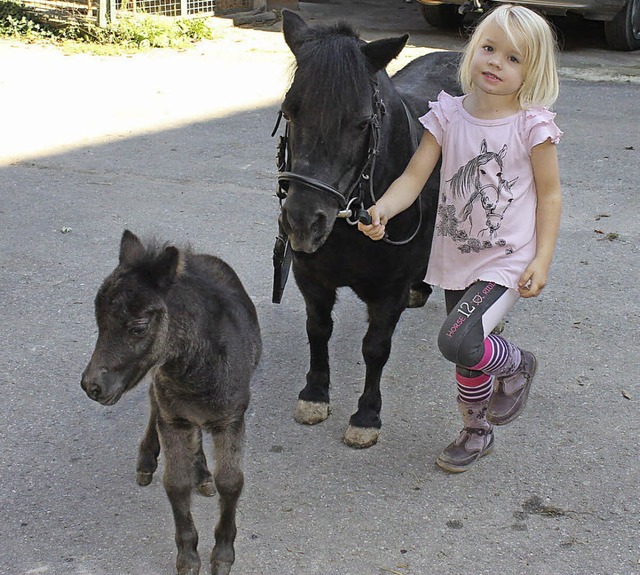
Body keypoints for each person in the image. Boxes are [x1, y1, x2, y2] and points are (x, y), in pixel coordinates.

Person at [358, 4, 562, 472]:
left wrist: (542, 260)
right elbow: (412, 178)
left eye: (514, 58)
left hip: (508, 259)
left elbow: (550, 198)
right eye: (489, 49)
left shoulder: (532, 126)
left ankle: (517, 363)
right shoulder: (447, 115)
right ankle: (476, 432)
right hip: (456, 256)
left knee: (457, 339)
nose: (495, 62)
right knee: (468, 354)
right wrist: (382, 210)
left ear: (533, 71)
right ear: (473, 51)